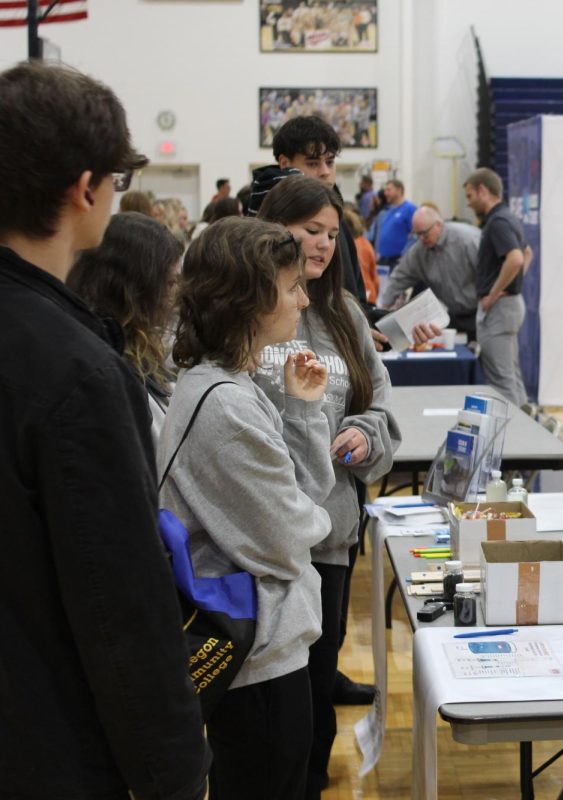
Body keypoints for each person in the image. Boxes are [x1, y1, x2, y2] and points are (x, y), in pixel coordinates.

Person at [0, 60, 208, 798]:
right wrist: (178, 772)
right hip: (50, 754)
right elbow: (123, 610)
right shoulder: (79, 371)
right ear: (86, 189)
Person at [164, 216, 334, 799]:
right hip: (257, 665)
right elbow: (292, 535)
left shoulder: (232, 385)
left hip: (269, 655)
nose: (304, 298)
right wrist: (315, 524)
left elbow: (299, 500)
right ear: (250, 298)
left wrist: (304, 411)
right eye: (291, 287)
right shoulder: (224, 406)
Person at [256, 176, 400, 797]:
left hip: (330, 542)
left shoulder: (343, 312)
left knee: (315, 696)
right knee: (265, 714)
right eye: (310, 230)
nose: (321, 244)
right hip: (258, 546)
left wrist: (367, 437)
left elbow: (381, 408)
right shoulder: (247, 311)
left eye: (332, 233)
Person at [67, 212, 184, 440]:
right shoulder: (108, 368)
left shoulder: (138, 349)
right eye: (169, 283)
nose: (175, 295)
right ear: (139, 287)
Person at [249, 114, 370, 310]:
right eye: (313, 163)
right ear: (285, 163)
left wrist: (368, 322)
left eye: (330, 162)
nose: (325, 172)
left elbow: (353, 290)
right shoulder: (261, 220)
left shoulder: (337, 212)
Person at [464, 167, 530, 404]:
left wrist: (493, 294)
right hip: (509, 305)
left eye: (470, 196)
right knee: (511, 376)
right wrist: (510, 284)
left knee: (501, 382)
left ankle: (515, 436)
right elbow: (527, 253)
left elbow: (516, 258)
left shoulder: (497, 221)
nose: (469, 204)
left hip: (500, 309)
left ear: (483, 190)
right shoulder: (508, 217)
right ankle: (529, 425)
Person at [381, 205, 482, 341]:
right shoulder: (419, 252)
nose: (421, 239)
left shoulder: (467, 240)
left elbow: (492, 272)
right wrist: (382, 310)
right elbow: (398, 279)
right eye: (417, 234)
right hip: (454, 315)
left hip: (483, 312)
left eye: (424, 233)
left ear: (439, 225)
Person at [369, 178, 417, 268]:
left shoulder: (410, 209)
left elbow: (416, 236)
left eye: (389, 190)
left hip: (398, 260)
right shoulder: (388, 211)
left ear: (399, 190)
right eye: (385, 190)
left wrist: (405, 255)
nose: (385, 193)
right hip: (383, 259)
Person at [344, 205, 380, 304]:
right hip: (370, 295)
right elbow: (375, 278)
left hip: (358, 297)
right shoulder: (365, 243)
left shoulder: (349, 247)